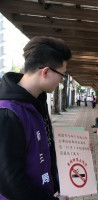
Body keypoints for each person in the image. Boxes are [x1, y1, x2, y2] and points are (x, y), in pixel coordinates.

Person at [0, 36, 72, 200]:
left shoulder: (37, 102)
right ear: (45, 72)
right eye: (62, 75)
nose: (61, 80)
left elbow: (42, 147)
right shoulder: (7, 113)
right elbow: (9, 182)